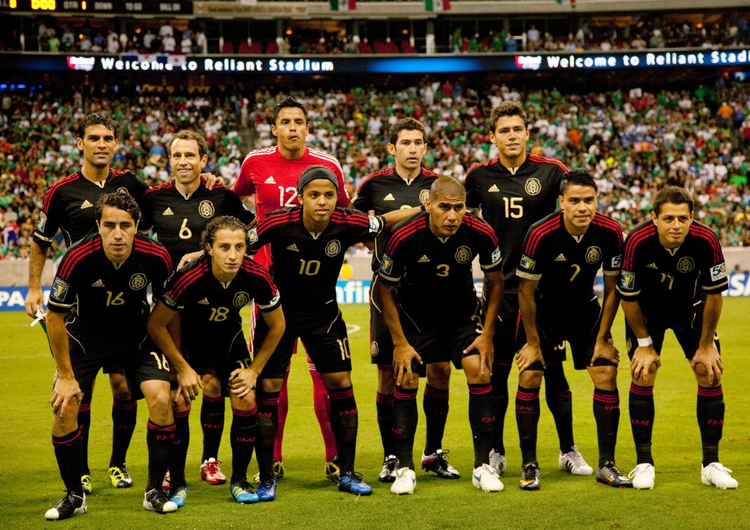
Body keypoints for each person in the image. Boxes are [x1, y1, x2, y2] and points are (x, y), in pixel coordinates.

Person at [248, 165, 416, 500]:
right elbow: (240, 243)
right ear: (300, 198)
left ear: (336, 198)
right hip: (278, 316)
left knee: (341, 385)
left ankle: (348, 472)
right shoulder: (276, 222)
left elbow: (384, 221)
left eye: (328, 195)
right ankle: (266, 476)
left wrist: (424, 209)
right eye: (314, 195)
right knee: (267, 388)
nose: (322, 201)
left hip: (324, 315)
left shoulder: (348, 221)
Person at [464, 101, 592, 478]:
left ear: (527, 133)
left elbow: (578, 204)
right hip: (501, 288)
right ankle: (496, 451)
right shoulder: (477, 176)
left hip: (546, 291)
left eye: (517, 129)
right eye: (504, 130)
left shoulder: (553, 173)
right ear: (493, 137)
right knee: (498, 373)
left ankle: (568, 449)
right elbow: (465, 220)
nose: (511, 135)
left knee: (552, 370)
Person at [26, 113, 149, 494]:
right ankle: (79, 471)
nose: (101, 143)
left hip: (127, 306)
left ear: (116, 144)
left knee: (124, 389)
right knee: (79, 391)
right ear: (79, 143)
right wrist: (33, 288)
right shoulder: (61, 192)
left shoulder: (132, 185)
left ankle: (118, 463)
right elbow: (40, 242)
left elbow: (166, 202)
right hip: (80, 309)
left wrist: (205, 181)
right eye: (93, 137)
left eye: (108, 137)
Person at [234, 97, 350, 481]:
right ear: (274, 127)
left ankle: (335, 458)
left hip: (316, 289)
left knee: (327, 377)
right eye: (285, 121)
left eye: (299, 121)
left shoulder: (327, 166)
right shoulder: (254, 163)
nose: (293, 128)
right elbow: (233, 206)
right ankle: (275, 458)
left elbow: (346, 216)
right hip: (268, 289)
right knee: (272, 379)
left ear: (307, 126)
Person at [44, 192, 176, 520]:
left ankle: (153, 491)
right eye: (109, 225)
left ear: (137, 227)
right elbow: (54, 316)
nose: (117, 233)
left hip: (135, 336)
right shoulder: (77, 257)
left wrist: (177, 364)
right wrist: (66, 376)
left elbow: (171, 310)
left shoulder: (157, 256)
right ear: (98, 226)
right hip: (86, 337)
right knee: (65, 408)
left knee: (161, 399)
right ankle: (74, 495)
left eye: (125, 226)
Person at [140, 130, 255, 494]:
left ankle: (210, 460)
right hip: (171, 310)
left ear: (204, 160)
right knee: (179, 393)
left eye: (191, 155)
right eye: (178, 155)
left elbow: (250, 226)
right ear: (169, 160)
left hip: (216, 306)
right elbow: (135, 237)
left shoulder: (221, 196)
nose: (184, 162)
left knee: (214, 386)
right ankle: (173, 470)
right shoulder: (153, 199)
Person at [376, 176, 505, 495]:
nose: (451, 215)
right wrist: (399, 343)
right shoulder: (405, 235)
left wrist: (487, 335)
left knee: (479, 368)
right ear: (428, 205)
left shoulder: (480, 231)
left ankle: (481, 467)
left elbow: (496, 281)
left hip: (461, 316)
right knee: (406, 377)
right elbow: (384, 288)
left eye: (458, 208)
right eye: (444, 207)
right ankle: (404, 468)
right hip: (417, 318)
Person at [146, 216, 285, 506]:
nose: (233, 255)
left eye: (239, 247)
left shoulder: (257, 275)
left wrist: (255, 371)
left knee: (245, 397)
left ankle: (239, 480)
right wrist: (181, 368)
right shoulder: (189, 276)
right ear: (209, 248)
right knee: (180, 400)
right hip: (190, 346)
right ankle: (178, 481)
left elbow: (278, 325)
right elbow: (156, 324)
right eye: (224, 247)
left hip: (228, 344)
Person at [353, 118, 457, 483]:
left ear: (425, 148)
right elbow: (356, 225)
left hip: (432, 295)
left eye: (418, 142)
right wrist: (385, 228)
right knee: (388, 373)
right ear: (391, 148)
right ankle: (392, 456)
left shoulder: (438, 186)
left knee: (441, 370)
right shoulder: (374, 185)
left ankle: (433, 451)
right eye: (405, 142)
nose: (412, 148)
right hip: (389, 293)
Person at [514, 170, 631, 490]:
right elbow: (524, 291)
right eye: (575, 201)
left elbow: (613, 288)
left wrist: (604, 337)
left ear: (598, 201)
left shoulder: (610, 232)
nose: (583, 207)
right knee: (530, 373)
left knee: (606, 372)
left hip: (584, 309)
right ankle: (529, 464)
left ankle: (607, 464)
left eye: (589, 200)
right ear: (561, 202)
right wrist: (533, 342)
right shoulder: (541, 233)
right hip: (543, 312)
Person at [618, 186, 738, 490]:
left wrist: (707, 344)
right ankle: (644, 463)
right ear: (654, 218)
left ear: (692, 218)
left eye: (683, 218)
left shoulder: (706, 239)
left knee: (709, 372)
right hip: (647, 311)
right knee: (643, 373)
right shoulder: (636, 240)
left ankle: (710, 464)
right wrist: (644, 345)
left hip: (692, 309)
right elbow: (628, 298)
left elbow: (714, 295)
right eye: (668, 218)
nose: (676, 225)